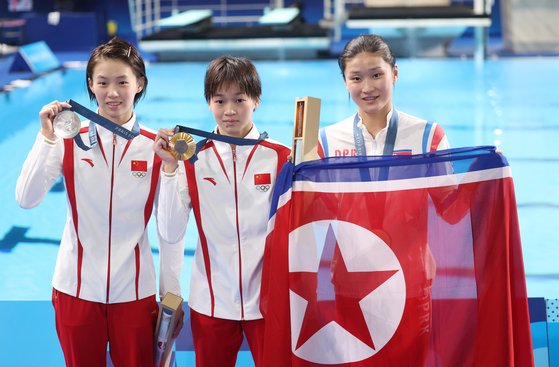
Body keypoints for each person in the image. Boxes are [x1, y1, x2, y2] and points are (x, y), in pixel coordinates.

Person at [15, 37, 184, 367]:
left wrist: (171, 297)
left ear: (140, 84)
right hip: (75, 290)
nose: (113, 92)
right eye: (103, 82)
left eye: (123, 82)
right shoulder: (68, 140)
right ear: (90, 84)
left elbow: (170, 232)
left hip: (135, 295)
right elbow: (25, 198)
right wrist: (46, 137)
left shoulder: (155, 148)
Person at [153, 56, 291, 367]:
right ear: (208, 102)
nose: (229, 110)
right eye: (220, 100)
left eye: (239, 100)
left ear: (255, 100)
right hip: (211, 303)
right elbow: (171, 231)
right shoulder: (193, 159)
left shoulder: (282, 158)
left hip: (268, 303)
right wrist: (170, 169)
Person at [318, 34, 449, 158]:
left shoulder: (429, 138)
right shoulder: (325, 143)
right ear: (345, 82)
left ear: (394, 73)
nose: (368, 88)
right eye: (356, 78)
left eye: (376, 75)